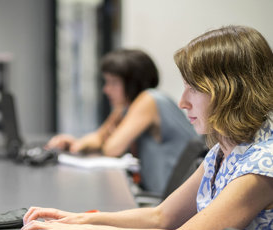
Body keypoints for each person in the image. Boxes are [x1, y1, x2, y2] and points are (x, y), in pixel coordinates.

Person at [20, 25, 273, 230]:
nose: (183, 102)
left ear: (231, 92)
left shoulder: (261, 165)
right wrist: (78, 219)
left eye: (194, 89)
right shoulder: (225, 149)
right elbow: (161, 217)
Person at [46, 49, 197, 196]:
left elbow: (112, 149)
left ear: (133, 83)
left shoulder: (149, 99)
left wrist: (98, 139)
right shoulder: (128, 106)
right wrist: (75, 143)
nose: (106, 89)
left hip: (169, 201)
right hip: (158, 196)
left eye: (113, 82)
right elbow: (99, 137)